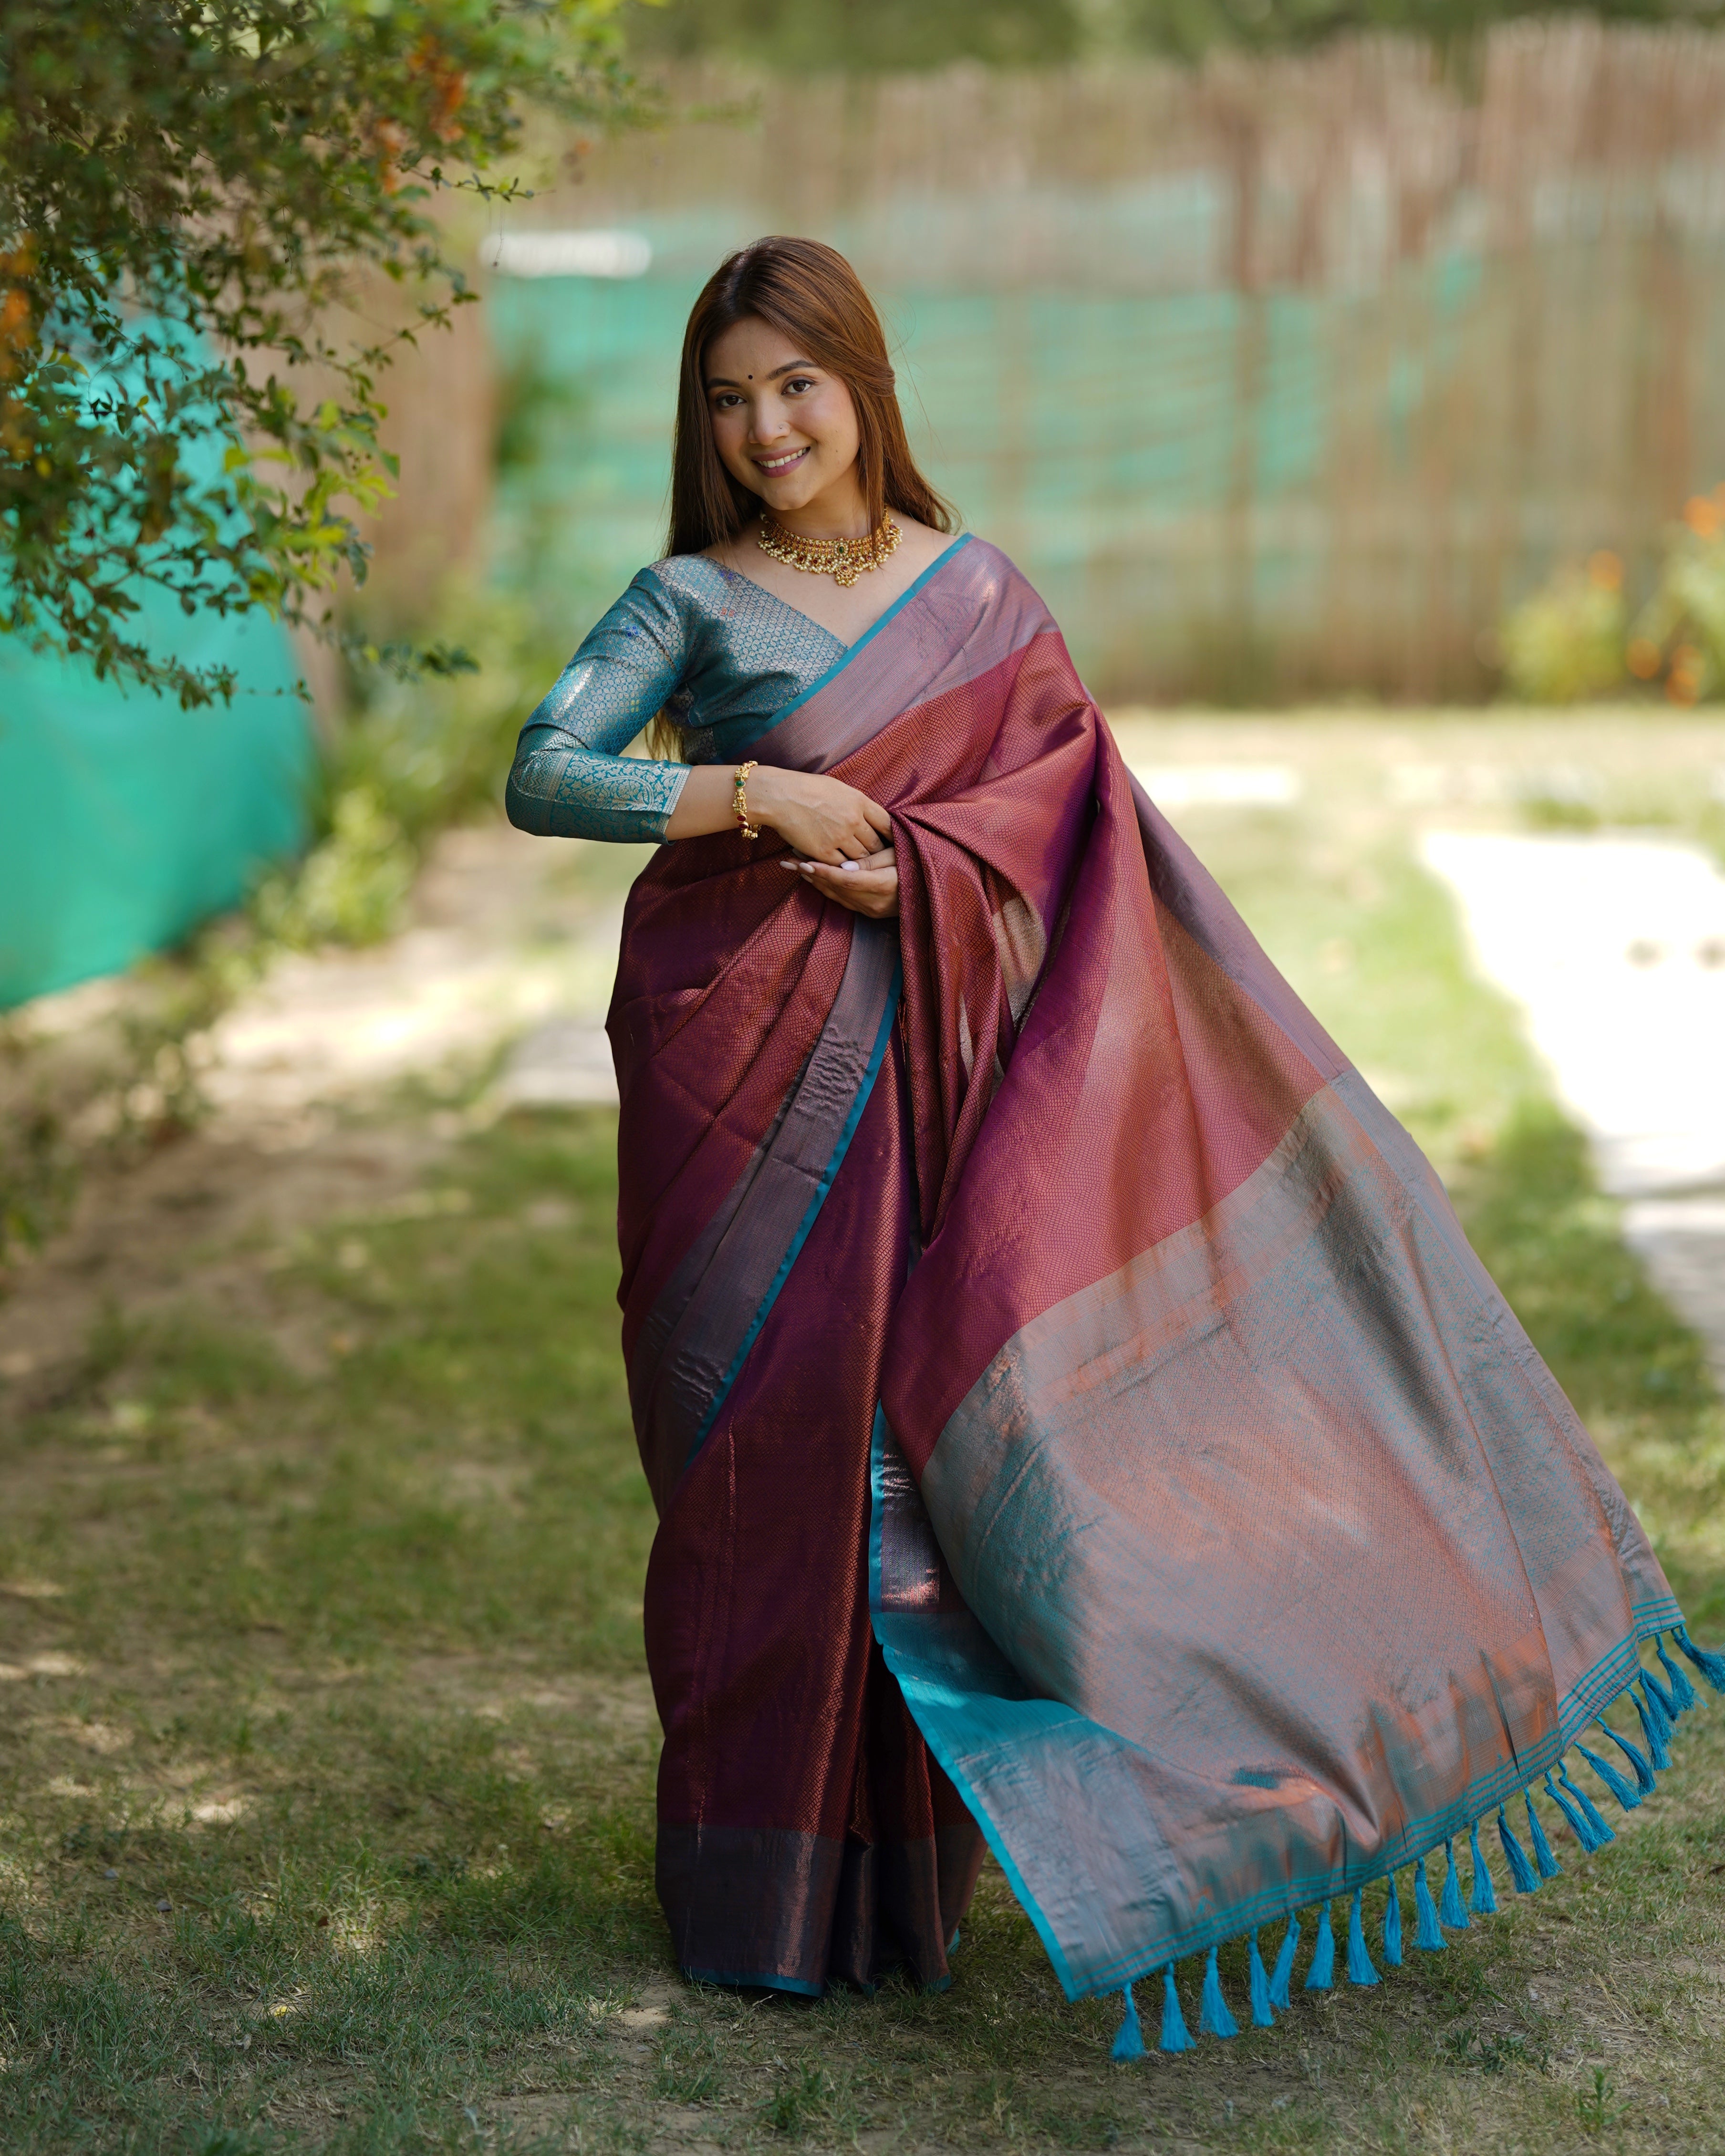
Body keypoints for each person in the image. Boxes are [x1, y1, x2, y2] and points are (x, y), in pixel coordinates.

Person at [506, 236, 1720, 2044]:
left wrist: (913, 869)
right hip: (747, 1108)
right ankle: (757, 1881)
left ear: (865, 382)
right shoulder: (686, 600)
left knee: (929, 1467)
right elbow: (546, 769)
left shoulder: (980, 596)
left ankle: (912, 1884)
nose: (769, 426)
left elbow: (1072, 829)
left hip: (946, 1088)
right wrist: (756, 792)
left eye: (798, 384)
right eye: (731, 397)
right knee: (760, 1474)